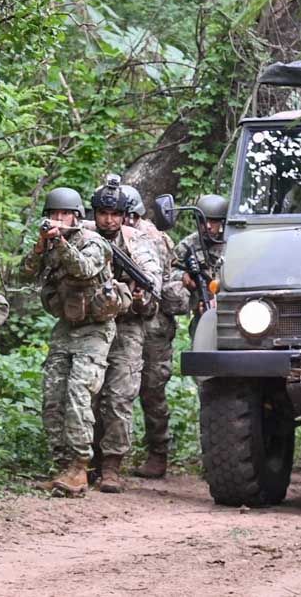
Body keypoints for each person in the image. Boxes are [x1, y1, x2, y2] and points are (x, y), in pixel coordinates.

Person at [19, 187, 117, 498]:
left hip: (95, 328)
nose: (58, 218)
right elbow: (22, 275)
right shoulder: (48, 245)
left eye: (64, 214)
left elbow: (84, 269)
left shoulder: (94, 242)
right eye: (54, 213)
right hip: (66, 326)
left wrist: (60, 243)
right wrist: (40, 247)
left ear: (76, 216)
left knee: (78, 394)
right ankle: (63, 465)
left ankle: (79, 466)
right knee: (53, 396)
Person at [88, 177, 162, 493]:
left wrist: (140, 297)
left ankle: (111, 465)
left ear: (124, 215)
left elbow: (152, 288)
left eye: (115, 214)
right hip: (90, 325)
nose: (109, 220)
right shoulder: (84, 236)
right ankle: (86, 459)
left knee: (120, 396)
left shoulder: (138, 243)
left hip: (126, 327)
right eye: (103, 213)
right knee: (87, 394)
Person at [121, 185, 182, 479]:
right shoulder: (112, 233)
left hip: (154, 323)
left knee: (152, 387)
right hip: (124, 317)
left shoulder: (153, 238)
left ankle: (158, 452)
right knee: (115, 387)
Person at [171, 193, 228, 336]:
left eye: (213, 221)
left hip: (232, 308)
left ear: (222, 222)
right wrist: (183, 277)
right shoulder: (188, 244)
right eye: (203, 221)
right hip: (201, 309)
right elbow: (168, 271)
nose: (208, 226)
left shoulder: (233, 243)